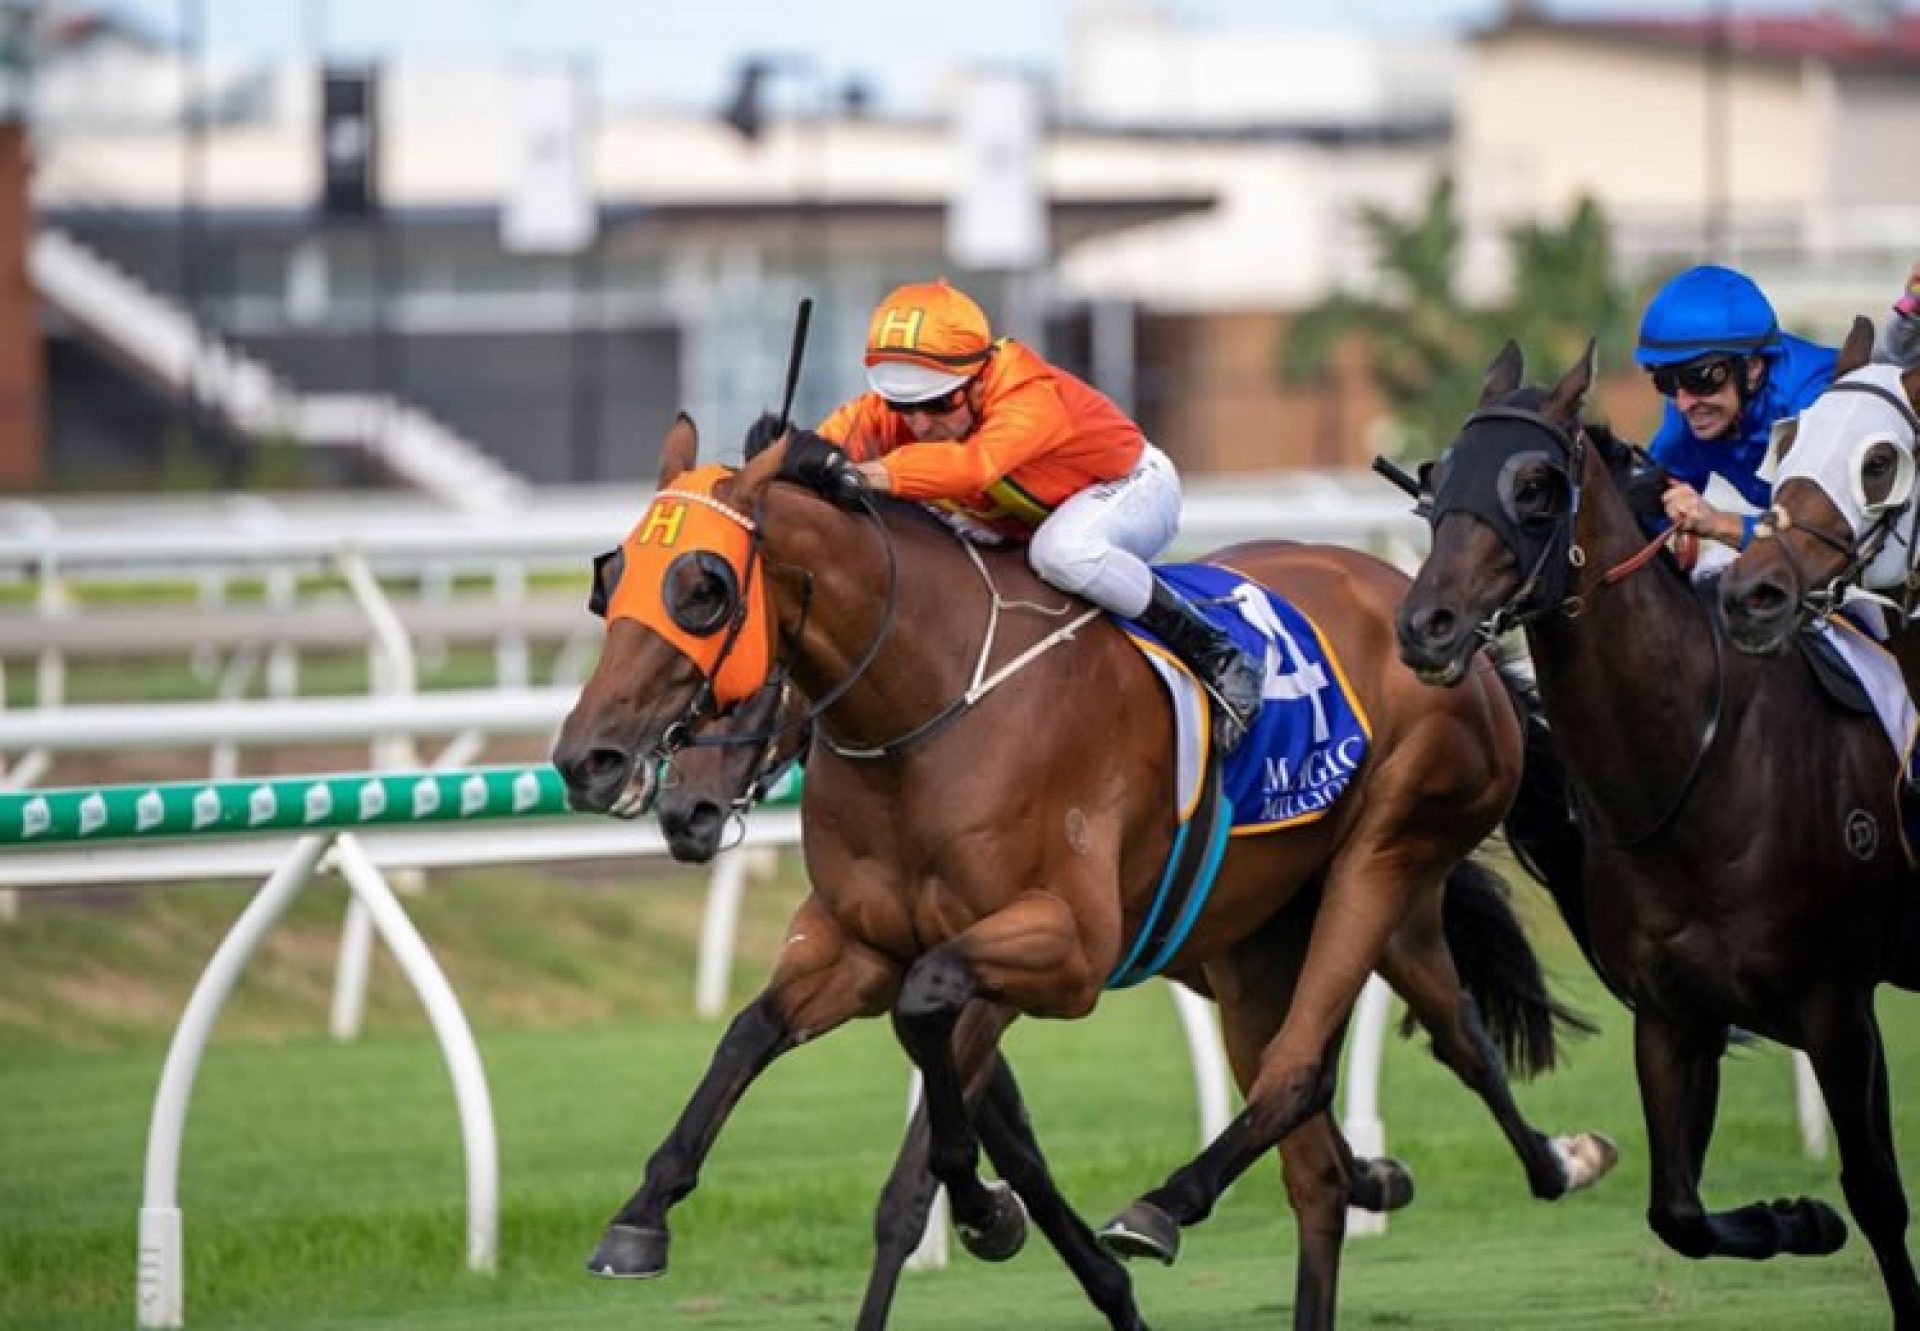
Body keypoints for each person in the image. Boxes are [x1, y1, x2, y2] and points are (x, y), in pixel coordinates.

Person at [798, 279, 1264, 750]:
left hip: (1129, 486)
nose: (919, 424)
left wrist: (867, 473)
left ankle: (1216, 653)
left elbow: (973, 467)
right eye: (903, 405)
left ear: (979, 377)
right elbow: (826, 444)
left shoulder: (1029, 394)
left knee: (1061, 553)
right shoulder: (899, 411)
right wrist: (785, 454)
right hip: (1028, 514)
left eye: (937, 403)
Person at [1637, 262, 1920, 557]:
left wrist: (1718, 523)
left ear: (1753, 368)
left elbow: (1815, 538)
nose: (1684, 403)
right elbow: (1642, 511)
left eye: (1701, 378)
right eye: (1667, 381)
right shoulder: (1693, 409)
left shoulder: (1816, 404)